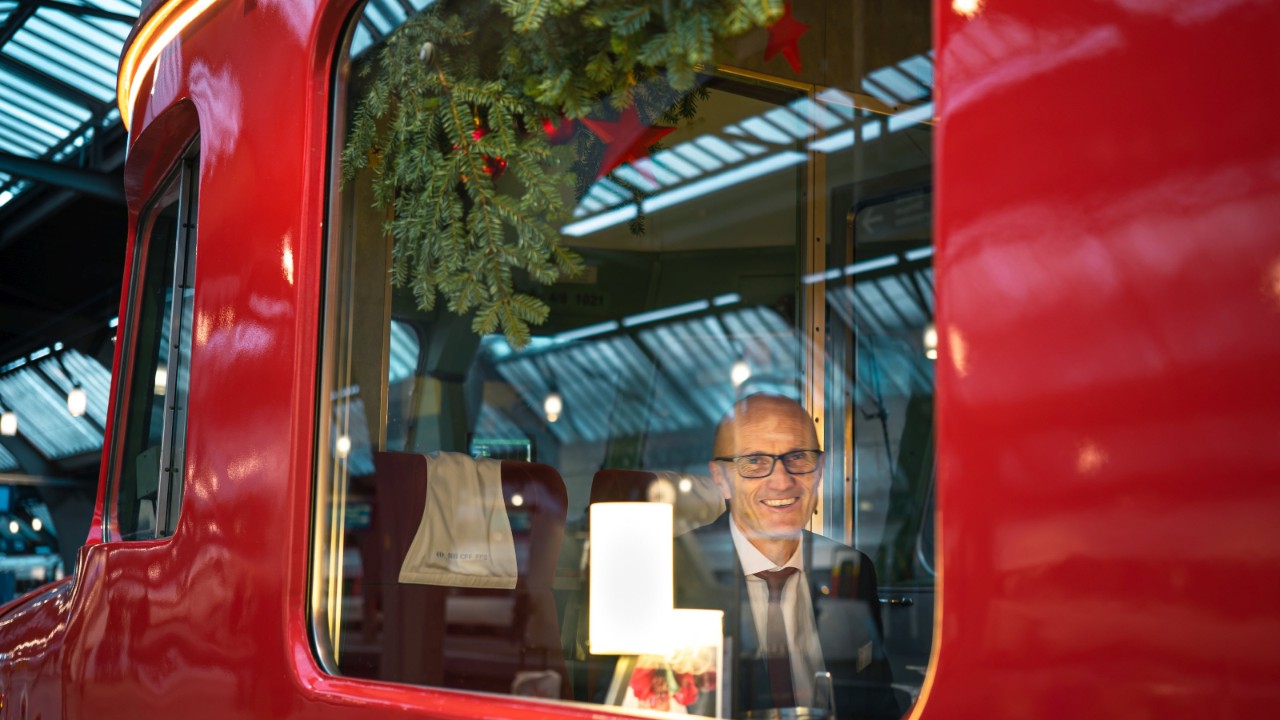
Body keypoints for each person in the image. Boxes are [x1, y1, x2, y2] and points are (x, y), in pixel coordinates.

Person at [675, 394, 901, 720]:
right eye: (754, 461)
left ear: (819, 470)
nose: (782, 481)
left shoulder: (850, 568)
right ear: (721, 479)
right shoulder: (673, 571)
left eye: (797, 457)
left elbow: (877, 706)